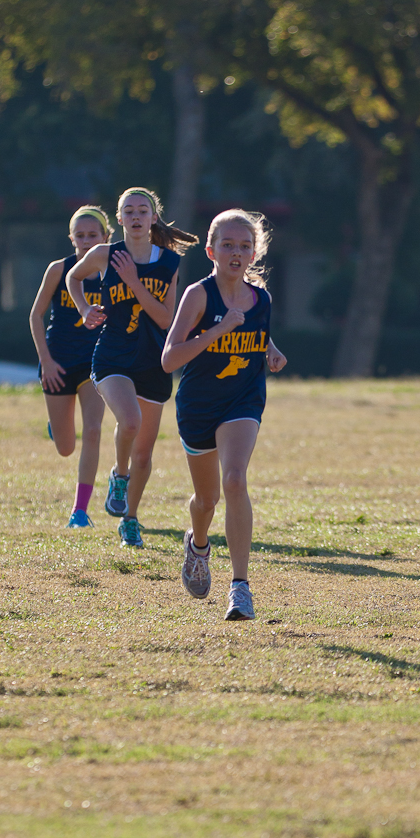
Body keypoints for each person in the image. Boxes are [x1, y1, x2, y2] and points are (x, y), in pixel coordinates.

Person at [162, 209, 287, 620]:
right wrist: (217, 330)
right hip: (199, 405)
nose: (236, 253)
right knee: (207, 499)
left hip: (243, 400)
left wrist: (270, 350)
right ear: (211, 251)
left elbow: (257, 333)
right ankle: (198, 546)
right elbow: (169, 358)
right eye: (228, 245)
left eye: (245, 246)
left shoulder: (261, 299)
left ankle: (240, 588)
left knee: (234, 479)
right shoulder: (198, 295)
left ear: (254, 253)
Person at [67, 187, 198, 548]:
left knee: (143, 453)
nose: (136, 217)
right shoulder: (104, 254)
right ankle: (118, 476)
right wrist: (83, 309)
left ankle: (130, 519)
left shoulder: (169, 262)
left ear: (153, 218)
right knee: (129, 421)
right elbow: (73, 278)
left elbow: (165, 318)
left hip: (153, 360)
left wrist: (134, 283)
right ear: (120, 218)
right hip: (112, 355)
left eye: (143, 211)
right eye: (129, 211)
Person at [29, 205, 111, 528]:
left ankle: (80, 511)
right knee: (65, 448)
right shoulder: (58, 269)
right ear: (71, 238)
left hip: (94, 363)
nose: (87, 241)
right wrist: (46, 361)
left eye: (93, 235)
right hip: (58, 362)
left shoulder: (112, 272)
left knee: (93, 430)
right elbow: (36, 315)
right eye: (81, 235)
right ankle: (56, 425)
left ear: (106, 237)